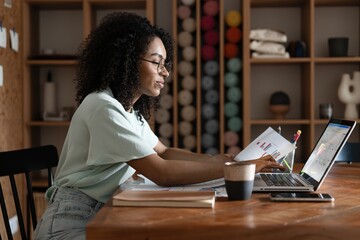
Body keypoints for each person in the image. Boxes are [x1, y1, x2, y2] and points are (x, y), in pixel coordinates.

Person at [34, 12, 284, 240]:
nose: (165, 72)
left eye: (166, 64)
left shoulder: (129, 112)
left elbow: (164, 152)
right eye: (156, 62)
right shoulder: (103, 107)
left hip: (104, 212)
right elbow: (161, 172)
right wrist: (236, 168)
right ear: (128, 61)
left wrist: (220, 159)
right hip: (72, 222)